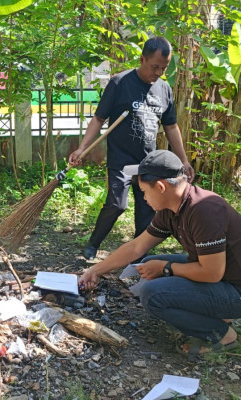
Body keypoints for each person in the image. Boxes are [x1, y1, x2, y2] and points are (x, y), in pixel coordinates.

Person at [79, 150, 241, 357]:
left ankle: (222, 334)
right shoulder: (171, 208)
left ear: (161, 187)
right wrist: (95, 270)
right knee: (149, 261)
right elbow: (137, 246)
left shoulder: (204, 210)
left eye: (144, 191)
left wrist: (166, 268)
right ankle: (215, 313)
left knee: (152, 294)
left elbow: (212, 273)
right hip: (221, 278)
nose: (143, 198)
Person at [69, 36, 194, 260]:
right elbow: (98, 119)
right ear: (142, 59)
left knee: (147, 208)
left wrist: (183, 161)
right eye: (155, 66)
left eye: (164, 68)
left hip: (148, 161)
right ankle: (93, 243)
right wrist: (82, 148)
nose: (158, 73)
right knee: (116, 203)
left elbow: (171, 126)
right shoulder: (120, 82)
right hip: (121, 157)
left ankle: (139, 254)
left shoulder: (164, 89)